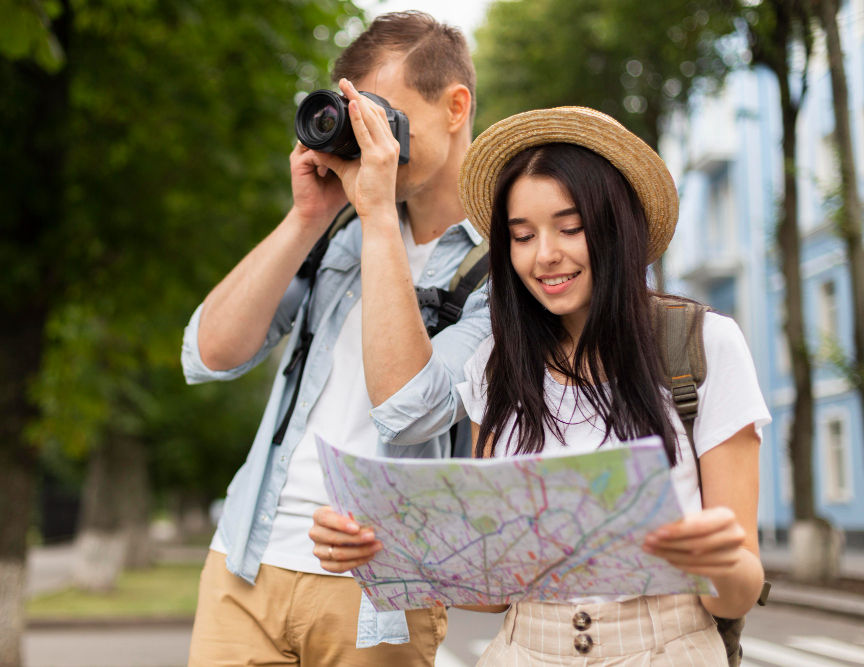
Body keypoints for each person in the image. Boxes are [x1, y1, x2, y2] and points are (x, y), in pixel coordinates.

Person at [309, 107, 771, 666]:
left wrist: (719, 562)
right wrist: (380, 546)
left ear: (616, 227)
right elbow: (495, 589)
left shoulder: (702, 345)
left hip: (667, 648)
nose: (545, 254)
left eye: (570, 228)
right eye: (522, 236)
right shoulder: (494, 366)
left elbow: (738, 593)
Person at [182, 12, 489, 666]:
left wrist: (375, 212)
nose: (368, 139)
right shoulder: (338, 232)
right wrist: (308, 217)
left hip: (379, 588)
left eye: (384, 118)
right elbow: (210, 354)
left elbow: (409, 407)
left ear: (455, 107)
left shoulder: (503, 266)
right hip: (244, 560)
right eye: (357, 120)